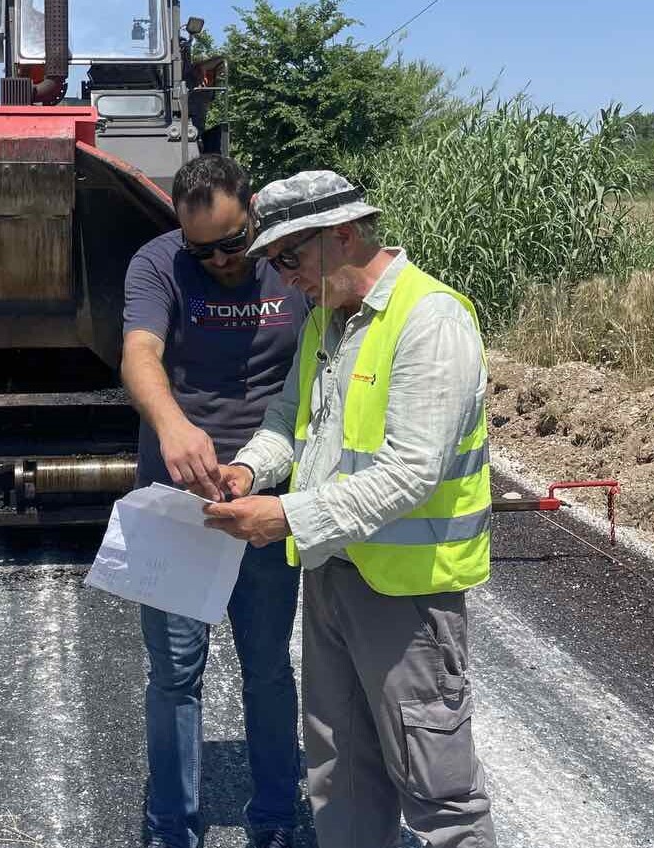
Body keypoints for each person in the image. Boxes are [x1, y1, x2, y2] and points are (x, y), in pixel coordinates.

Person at [202, 170, 496, 848]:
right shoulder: (327, 322)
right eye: (274, 262)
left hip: (410, 597)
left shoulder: (431, 319)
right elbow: (288, 416)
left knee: (439, 794)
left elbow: (412, 471)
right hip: (334, 573)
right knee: (341, 776)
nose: (283, 277)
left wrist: (287, 519)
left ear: (343, 235)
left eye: (290, 258)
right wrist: (248, 470)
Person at [122, 153, 309, 848]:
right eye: (203, 249)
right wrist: (171, 425)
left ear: (252, 208)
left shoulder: (290, 268)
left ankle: (275, 818)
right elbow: (140, 351)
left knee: (266, 667)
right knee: (174, 674)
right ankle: (171, 826)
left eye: (234, 242)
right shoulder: (159, 263)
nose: (222, 260)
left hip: (266, 503)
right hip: (178, 505)